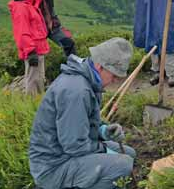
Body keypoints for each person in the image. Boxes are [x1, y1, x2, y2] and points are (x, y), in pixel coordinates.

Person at [29, 37, 136, 189]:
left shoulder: (89, 80)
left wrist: (102, 130)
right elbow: (75, 146)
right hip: (53, 167)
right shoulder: (76, 91)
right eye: (113, 75)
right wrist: (104, 150)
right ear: (100, 66)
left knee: (130, 154)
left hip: (65, 154)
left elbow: (82, 123)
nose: (114, 81)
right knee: (123, 165)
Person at [8, 0, 50, 95]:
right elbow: (22, 32)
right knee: (33, 80)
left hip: (39, 48)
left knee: (39, 79)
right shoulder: (21, 8)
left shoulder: (29, 3)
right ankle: (32, 105)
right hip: (33, 49)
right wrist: (30, 51)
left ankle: (37, 104)